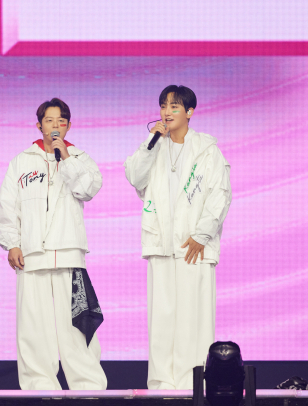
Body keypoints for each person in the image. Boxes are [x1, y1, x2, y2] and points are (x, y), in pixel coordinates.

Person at [124, 85, 232, 390]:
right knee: (161, 320)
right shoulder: (153, 146)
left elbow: (220, 194)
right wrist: (150, 142)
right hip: (160, 244)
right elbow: (134, 177)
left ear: (189, 112)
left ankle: (191, 384)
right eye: (163, 106)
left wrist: (201, 235)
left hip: (194, 247)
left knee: (192, 320)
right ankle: (161, 385)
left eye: (174, 106)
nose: (167, 112)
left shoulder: (207, 149)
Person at [0, 98, 107, 390]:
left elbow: (88, 189)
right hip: (32, 256)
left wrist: (66, 158)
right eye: (49, 121)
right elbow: (7, 205)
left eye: (61, 121)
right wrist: (12, 243)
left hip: (69, 255)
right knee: (34, 328)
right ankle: (40, 389)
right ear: (39, 125)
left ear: (68, 126)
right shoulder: (21, 161)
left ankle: (88, 388)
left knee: (76, 327)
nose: (55, 126)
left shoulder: (80, 158)